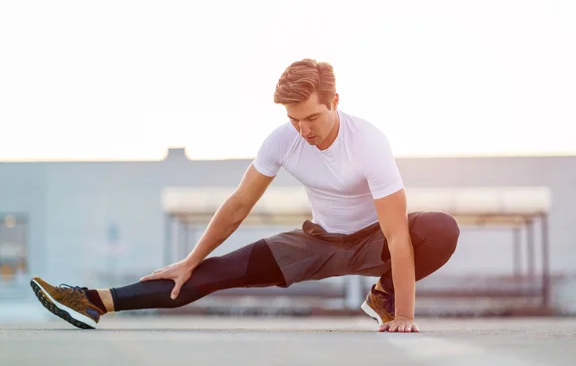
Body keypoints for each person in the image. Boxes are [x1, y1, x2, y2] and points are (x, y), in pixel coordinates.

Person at [30, 59, 460, 333]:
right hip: (317, 243)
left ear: (335, 102)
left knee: (439, 228)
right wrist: (191, 259)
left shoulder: (368, 142)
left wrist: (403, 313)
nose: (304, 130)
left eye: (312, 117)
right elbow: (238, 206)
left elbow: (398, 237)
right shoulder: (282, 140)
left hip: (374, 239)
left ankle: (380, 297)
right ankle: (93, 302)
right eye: (295, 120)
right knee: (214, 271)